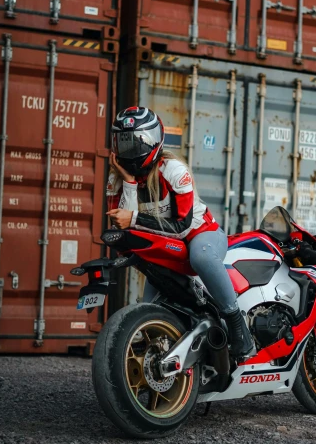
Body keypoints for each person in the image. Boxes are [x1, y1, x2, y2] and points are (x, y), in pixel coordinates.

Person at [106, 106, 255, 359]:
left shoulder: (174, 170)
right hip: (166, 247)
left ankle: (237, 325)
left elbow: (182, 226)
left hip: (200, 234)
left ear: (152, 141)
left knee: (203, 258)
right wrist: (129, 183)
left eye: (135, 142)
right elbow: (123, 229)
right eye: (123, 142)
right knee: (148, 309)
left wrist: (132, 218)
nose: (129, 150)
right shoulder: (117, 180)